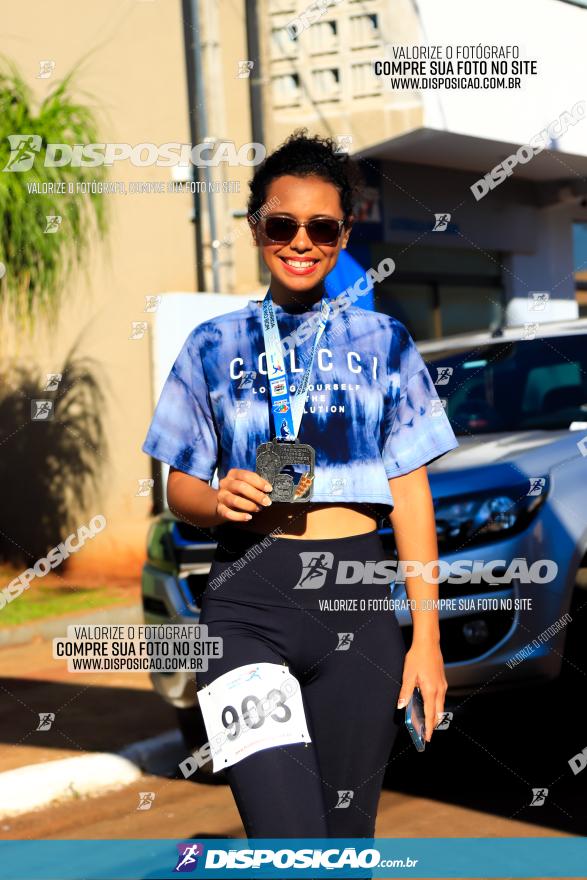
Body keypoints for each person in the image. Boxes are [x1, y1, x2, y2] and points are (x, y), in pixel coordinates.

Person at [142, 130, 459, 840]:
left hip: (357, 604)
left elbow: (409, 493)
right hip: (245, 609)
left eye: (322, 226)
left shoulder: (385, 343)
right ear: (256, 225)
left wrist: (427, 639)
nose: (300, 241)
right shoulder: (211, 345)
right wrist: (215, 496)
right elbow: (179, 489)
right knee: (286, 840)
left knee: (346, 841)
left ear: (344, 232)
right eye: (281, 223)